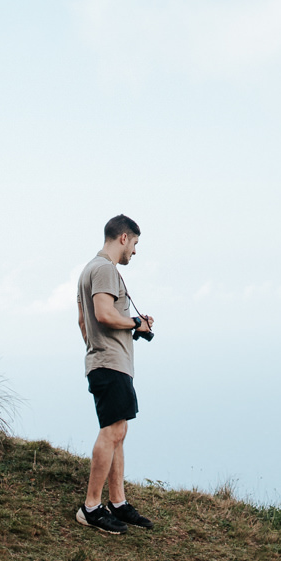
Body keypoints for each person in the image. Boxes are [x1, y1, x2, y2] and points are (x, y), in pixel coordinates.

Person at [75, 213, 155, 534]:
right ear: (123, 238)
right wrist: (136, 323)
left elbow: (85, 322)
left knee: (118, 432)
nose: (134, 251)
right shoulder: (106, 269)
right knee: (112, 432)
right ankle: (91, 508)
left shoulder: (88, 271)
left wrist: (97, 347)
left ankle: (117, 502)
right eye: (134, 243)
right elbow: (104, 313)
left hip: (104, 360)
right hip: (110, 363)